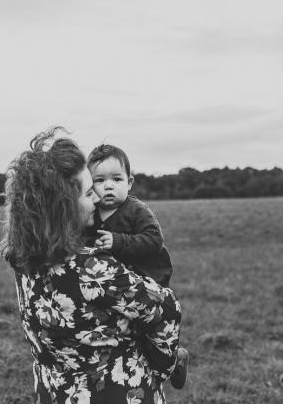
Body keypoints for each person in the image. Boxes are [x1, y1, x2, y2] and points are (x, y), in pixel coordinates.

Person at [0, 127, 182, 403]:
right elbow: (166, 310)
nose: (97, 197)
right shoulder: (91, 267)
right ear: (63, 207)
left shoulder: (24, 260)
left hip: (54, 392)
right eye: (87, 193)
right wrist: (164, 368)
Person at [86, 144, 188, 389]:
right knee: (128, 333)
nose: (108, 186)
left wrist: (118, 241)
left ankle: (174, 360)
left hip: (149, 278)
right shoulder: (91, 213)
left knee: (148, 331)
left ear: (129, 182)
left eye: (116, 179)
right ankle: (137, 370)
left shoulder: (136, 210)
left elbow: (154, 240)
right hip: (119, 285)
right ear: (90, 186)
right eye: (100, 180)